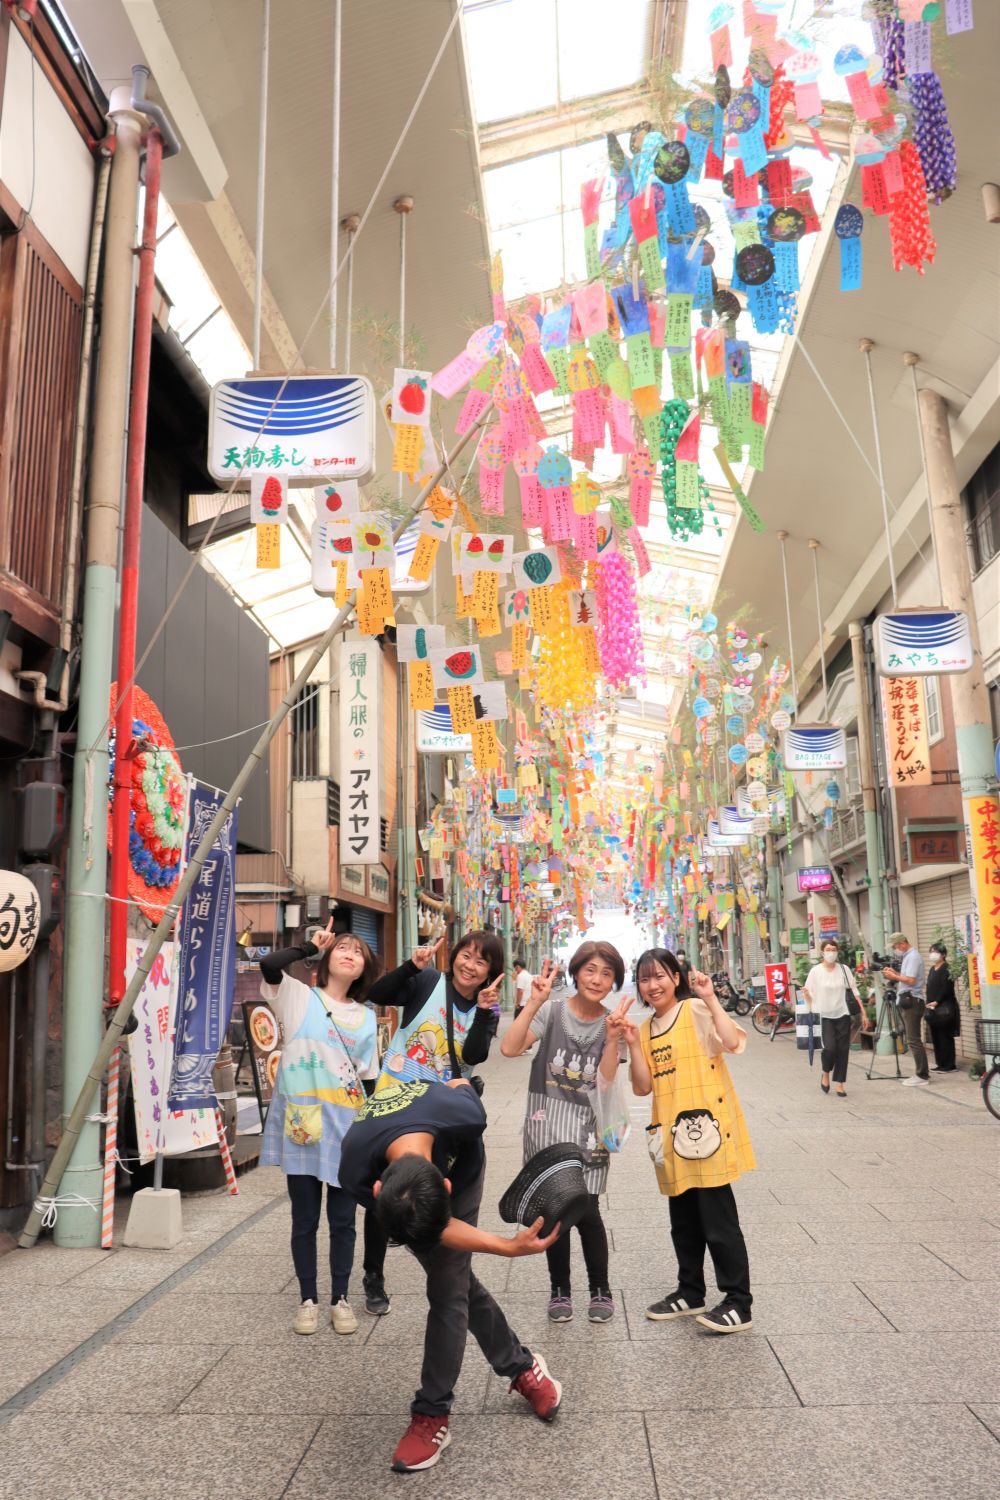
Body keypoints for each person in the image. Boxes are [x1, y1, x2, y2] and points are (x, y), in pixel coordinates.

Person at [339, 1077, 563, 1473]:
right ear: (376, 1190)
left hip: (461, 1166)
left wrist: (508, 1245)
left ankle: (432, 1413)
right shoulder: (355, 1167)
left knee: (446, 1288)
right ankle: (521, 1367)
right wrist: (506, 1246)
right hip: (406, 1185)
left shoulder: (463, 1118)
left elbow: (464, 1089)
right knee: (454, 1278)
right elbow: (418, 1226)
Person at [359, 930, 504, 1315]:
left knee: (433, 1186)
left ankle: (441, 1266)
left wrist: (486, 1012)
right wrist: (411, 966)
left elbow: (475, 1053)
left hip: (440, 1113)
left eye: (481, 961)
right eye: (466, 955)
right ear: (454, 955)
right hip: (395, 1101)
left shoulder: (488, 1007)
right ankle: (374, 1276)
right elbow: (377, 994)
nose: (470, 966)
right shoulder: (427, 981)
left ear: (491, 971)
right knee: (385, 1189)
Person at [622, 949, 756, 1334]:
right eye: (645, 979)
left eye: (660, 976)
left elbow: (731, 1042)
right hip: (671, 1136)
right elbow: (642, 1086)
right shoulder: (646, 1028)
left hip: (708, 1133)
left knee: (718, 1222)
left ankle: (738, 1302)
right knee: (683, 1222)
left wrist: (711, 998)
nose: (653, 985)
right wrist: (632, 1042)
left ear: (675, 978)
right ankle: (690, 1291)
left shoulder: (695, 1010)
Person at [258, 923, 380, 1336]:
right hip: (303, 1120)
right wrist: (309, 946)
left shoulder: (366, 1017)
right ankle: (308, 1299)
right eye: (342, 948)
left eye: (358, 951)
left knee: (344, 1219)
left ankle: (340, 1298)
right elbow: (270, 963)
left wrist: (374, 1135)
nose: (349, 953)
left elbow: (368, 1081)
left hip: (347, 1125)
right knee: (305, 1218)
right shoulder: (299, 998)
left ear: (365, 968)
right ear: (327, 959)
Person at [500, 942, 625, 1324]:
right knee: (555, 1211)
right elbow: (509, 1048)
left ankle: (600, 1289)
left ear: (614, 981)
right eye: (590, 970)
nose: (597, 979)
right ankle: (559, 1289)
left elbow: (605, 1080)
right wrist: (533, 1003)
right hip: (548, 1127)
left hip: (588, 1129)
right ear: (576, 972)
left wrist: (614, 1037)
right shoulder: (552, 1012)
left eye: (606, 973)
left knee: (588, 1211)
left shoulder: (612, 1020)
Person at [803, 940, 871, 1098]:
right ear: (822, 952)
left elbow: (854, 991)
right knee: (830, 1048)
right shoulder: (816, 971)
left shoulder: (844, 969)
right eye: (828, 949)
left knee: (842, 1049)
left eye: (833, 949)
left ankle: (840, 1083)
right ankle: (825, 1072)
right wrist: (807, 994)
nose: (831, 952)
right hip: (824, 1015)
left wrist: (863, 1012)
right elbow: (809, 993)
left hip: (842, 1013)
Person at [883, 931, 929, 1086]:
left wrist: (894, 977)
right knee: (913, 1038)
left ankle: (922, 1075)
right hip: (910, 1000)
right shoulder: (909, 956)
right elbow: (907, 977)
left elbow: (910, 980)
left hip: (912, 1000)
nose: (896, 949)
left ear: (902, 943)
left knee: (913, 1039)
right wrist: (895, 973)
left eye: (895, 946)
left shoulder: (913, 956)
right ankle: (921, 1073)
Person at [925, 942, 960, 1072]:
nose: (932, 954)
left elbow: (946, 988)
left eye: (936, 951)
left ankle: (949, 1065)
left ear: (943, 954)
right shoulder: (932, 969)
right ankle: (940, 1063)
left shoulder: (946, 968)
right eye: (931, 951)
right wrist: (929, 1002)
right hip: (932, 1007)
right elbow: (930, 987)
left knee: (945, 1036)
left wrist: (937, 1001)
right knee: (936, 1036)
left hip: (945, 1007)